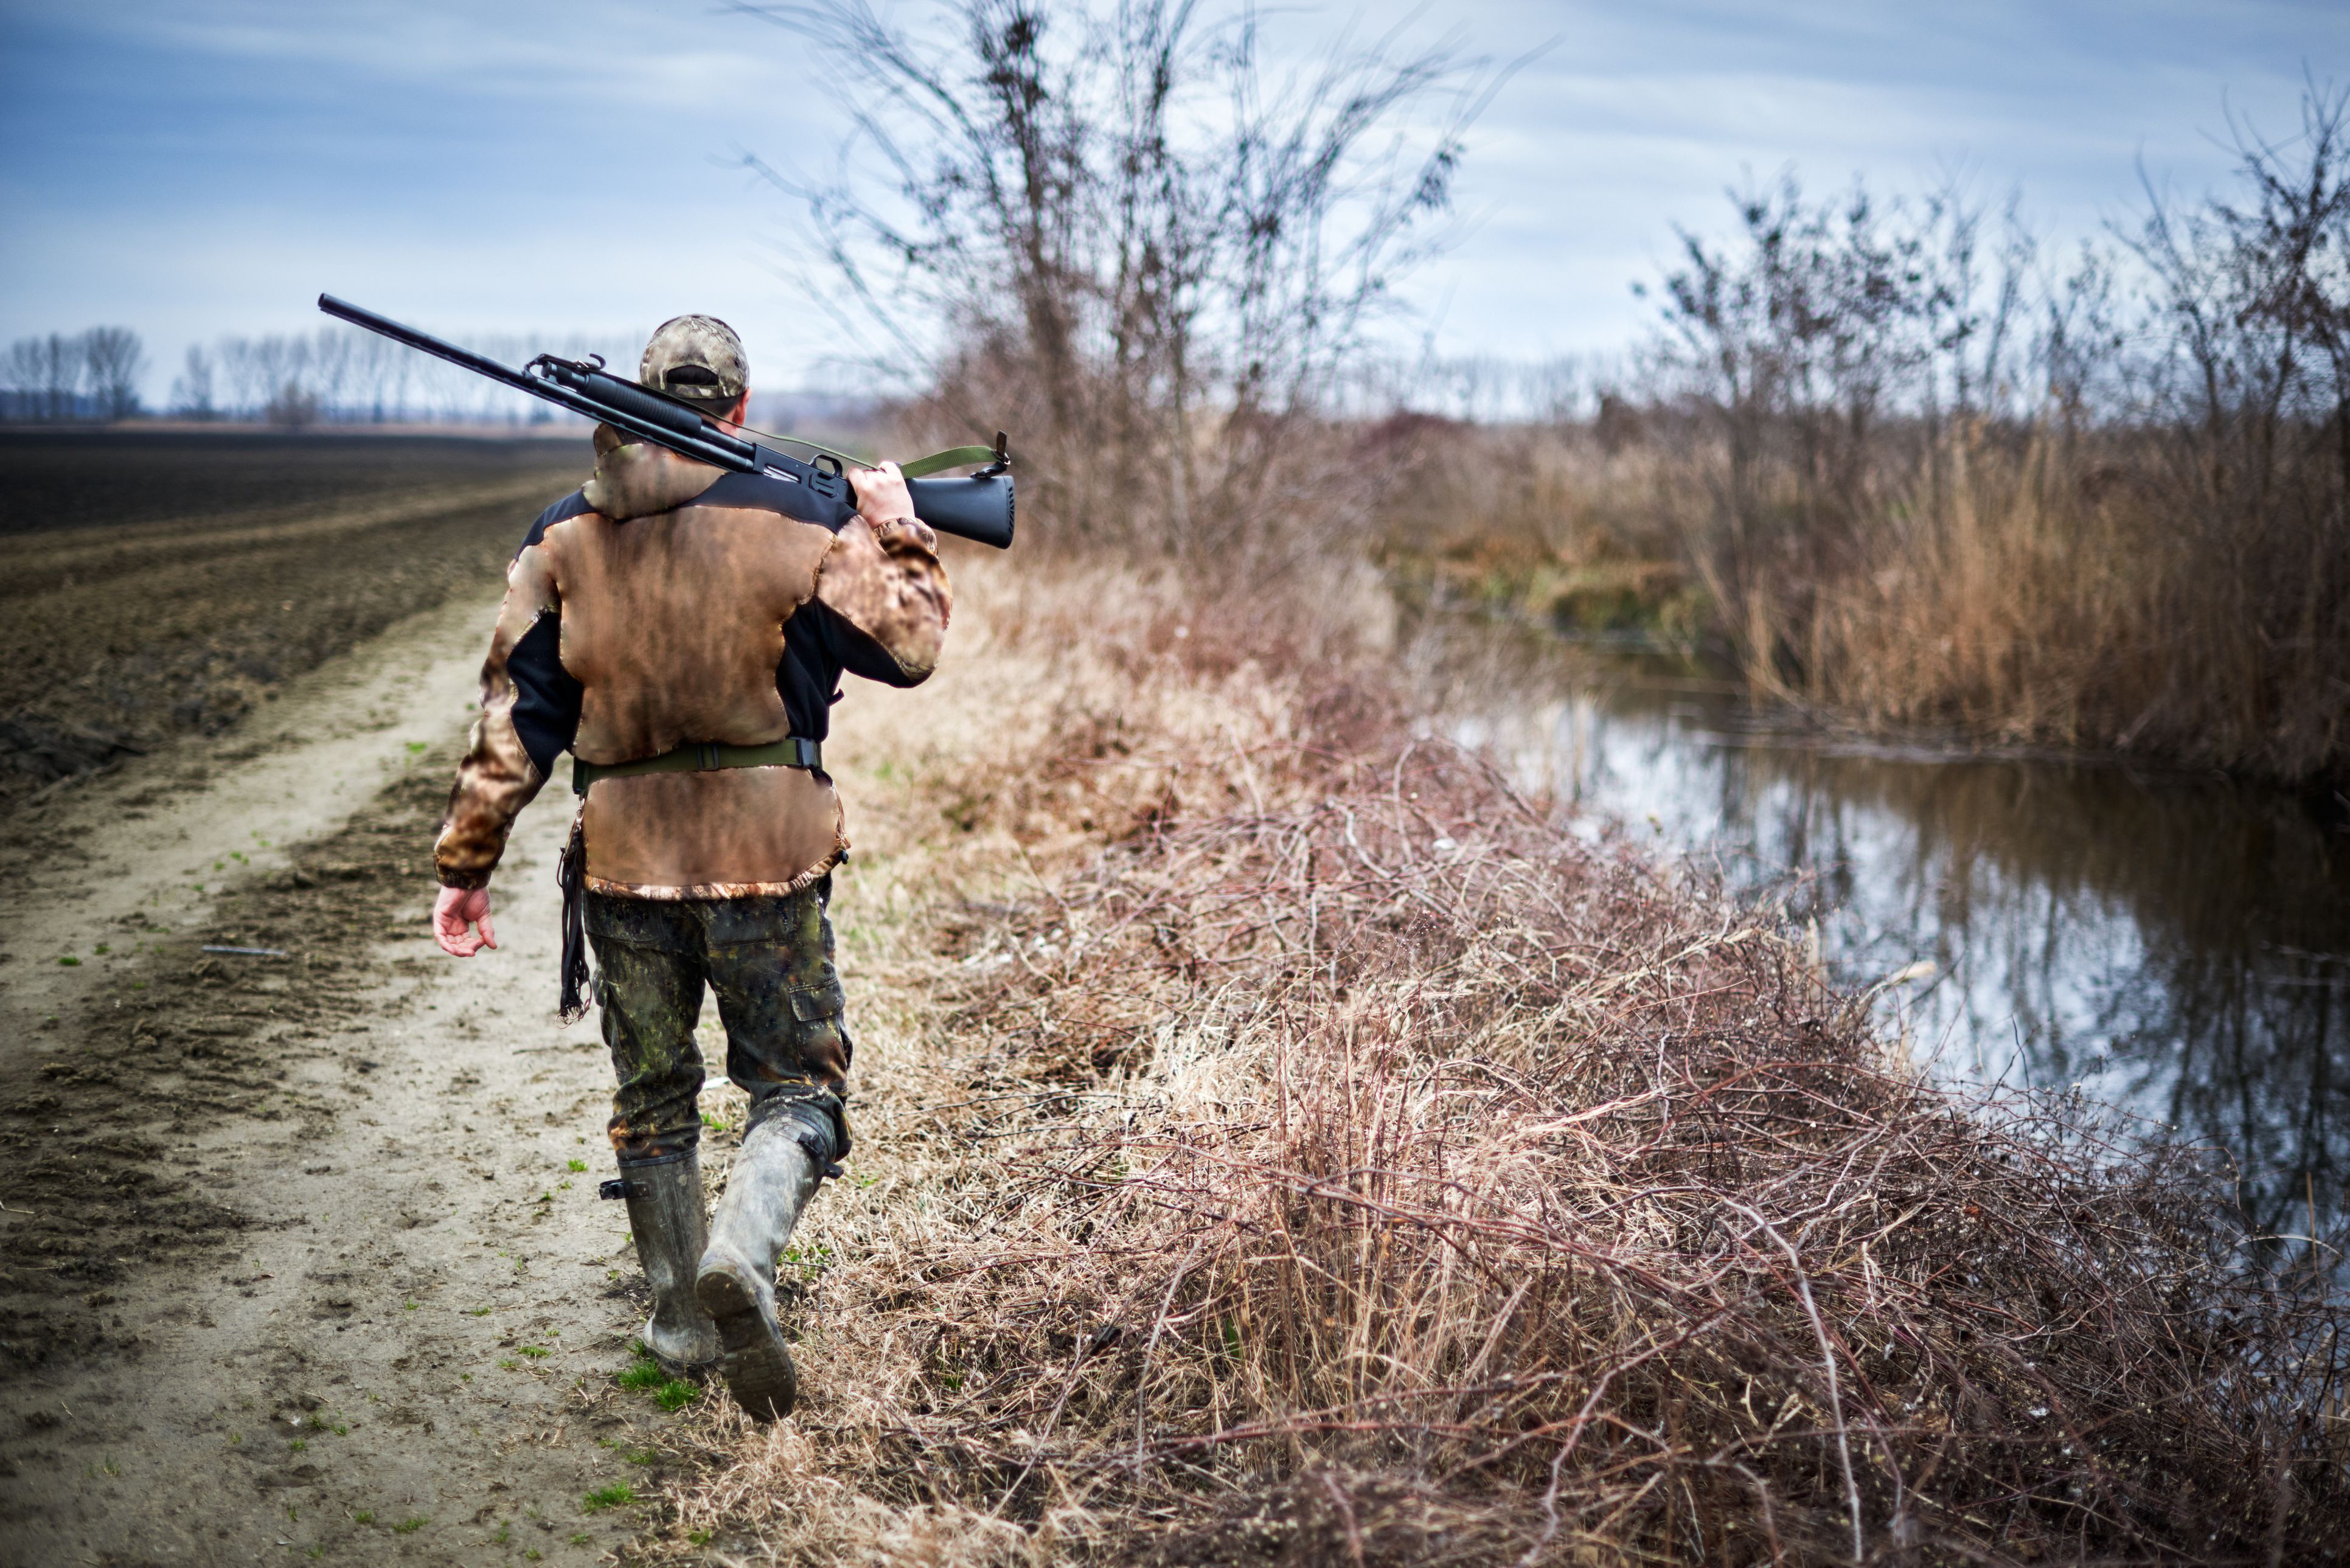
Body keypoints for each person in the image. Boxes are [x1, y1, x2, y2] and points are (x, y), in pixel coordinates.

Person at [426, 314, 950, 1420]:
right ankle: (743, 1259)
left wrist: (468, 858)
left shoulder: (561, 535)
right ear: (743, 409)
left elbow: (512, 718)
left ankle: (676, 1318)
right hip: (772, 853)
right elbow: (910, 647)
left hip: (625, 863)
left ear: (636, 399)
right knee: (797, 1085)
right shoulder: (805, 514)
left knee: (652, 1098)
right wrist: (898, 531)